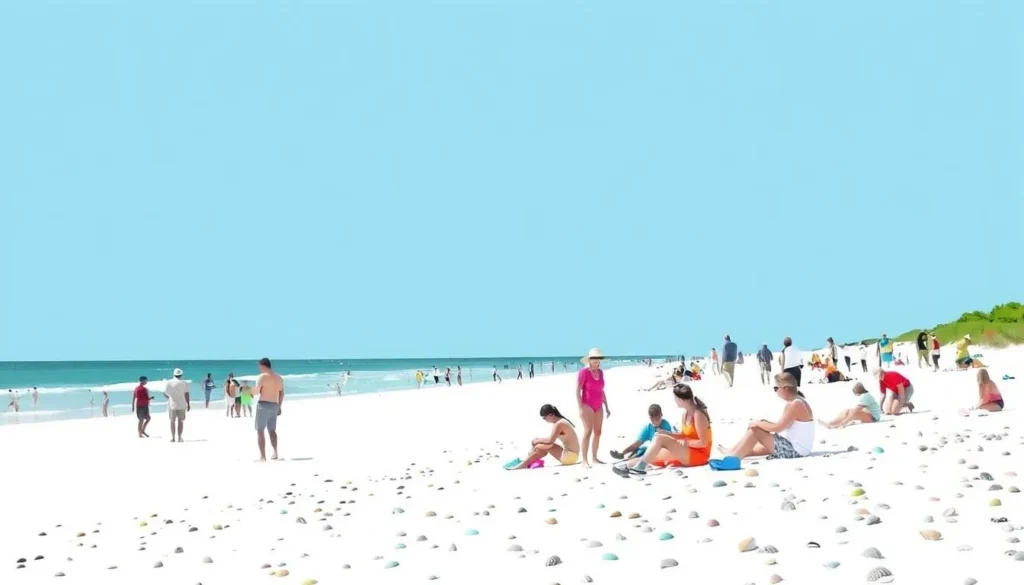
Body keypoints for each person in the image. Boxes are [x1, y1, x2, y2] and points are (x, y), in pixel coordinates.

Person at [614, 384, 712, 476]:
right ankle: (628, 466)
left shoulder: (698, 415)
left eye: (675, 398)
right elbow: (682, 435)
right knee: (653, 455)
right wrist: (666, 433)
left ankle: (639, 468)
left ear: (681, 399)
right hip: (688, 451)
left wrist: (686, 443)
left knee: (660, 438)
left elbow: (703, 443)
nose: (675, 401)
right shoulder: (685, 415)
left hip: (700, 455)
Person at [719, 372, 814, 460]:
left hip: (795, 451)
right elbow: (784, 425)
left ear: (784, 388)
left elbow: (778, 428)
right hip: (799, 449)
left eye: (776, 388)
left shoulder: (794, 405)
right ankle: (733, 451)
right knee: (751, 444)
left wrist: (757, 423)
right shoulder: (800, 401)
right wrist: (762, 423)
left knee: (756, 431)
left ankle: (733, 458)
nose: (775, 391)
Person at [506, 404, 580, 470]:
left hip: (570, 457)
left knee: (543, 446)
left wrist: (537, 442)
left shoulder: (559, 424)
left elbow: (550, 441)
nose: (545, 420)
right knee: (542, 448)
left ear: (551, 414)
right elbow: (550, 439)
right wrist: (538, 441)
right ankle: (525, 463)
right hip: (572, 456)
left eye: (544, 418)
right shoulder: (560, 421)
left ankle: (523, 464)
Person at [577, 348, 611, 468]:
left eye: (599, 359)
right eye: (595, 359)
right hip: (587, 404)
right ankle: (584, 461)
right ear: (590, 360)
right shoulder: (584, 372)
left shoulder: (601, 372)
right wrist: (580, 407)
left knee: (598, 432)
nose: (598, 361)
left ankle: (595, 458)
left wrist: (606, 406)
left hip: (599, 405)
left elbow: (601, 390)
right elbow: (577, 390)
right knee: (587, 432)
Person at [609, 404, 675, 460]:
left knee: (648, 450)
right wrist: (623, 452)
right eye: (652, 420)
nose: (655, 422)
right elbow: (637, 443)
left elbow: (669, 444)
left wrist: (663, 433)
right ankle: (626, 456)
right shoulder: (648, 427)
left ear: (661, 415)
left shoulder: (665, 425)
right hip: (651, 450)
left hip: (662, 451)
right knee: (641, 449)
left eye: (657, 419)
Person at [254, 357, 284, 462]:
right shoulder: (279, 377)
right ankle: (275, 452)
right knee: (272, 430)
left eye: (259, 366)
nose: (259, 368)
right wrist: (279, 406)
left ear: (262, 365)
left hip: (263, 405)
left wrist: (248, 391)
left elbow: (257, 392)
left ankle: (263, 457)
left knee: (260, 430)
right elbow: (281, 393)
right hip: (274, 405)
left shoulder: (261, 377)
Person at [164, 368, 190, 442]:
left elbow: (165, 393)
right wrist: (188, 403)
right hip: (182, 404)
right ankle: (179, 437)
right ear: (181, 375)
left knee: (172, 421)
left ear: (174, 374)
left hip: (172, 405)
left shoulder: (169, 382)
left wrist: (169, 399)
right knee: (181, 421)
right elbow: (186, 393)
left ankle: (173, 438)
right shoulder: (184, 382)